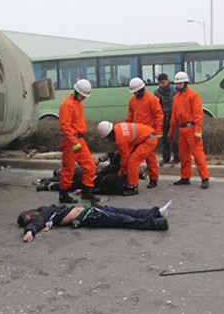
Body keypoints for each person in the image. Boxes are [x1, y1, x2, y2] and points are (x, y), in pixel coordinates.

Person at [18, 200, 172, 243]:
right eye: (29, 217)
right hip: (88, 215)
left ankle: (157, 212)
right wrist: (30, 232)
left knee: (124, 212)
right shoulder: (44, 216)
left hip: (90, 209)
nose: (31, 215)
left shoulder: (46, 210)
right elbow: (36, 223)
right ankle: (154, 223)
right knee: (122, 219)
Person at [167, 71, 210, 189]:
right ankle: (185, 177)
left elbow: (198, 114)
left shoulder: (193, 95)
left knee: (198, 155)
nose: (178, 85)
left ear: (185, 83)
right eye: (177, 83)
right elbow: (174, 117)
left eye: (180, 83)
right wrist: (171, 132)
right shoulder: (176, 98)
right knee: (184, 155)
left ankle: (205, 178)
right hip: (182, 130)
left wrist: (197, 131)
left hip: (191, 129)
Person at [58, 79, 98, 204]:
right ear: (77, 92)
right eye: (83, 95)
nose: (84, 98)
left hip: (79, 140)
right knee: (69, 168)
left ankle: (87, 192)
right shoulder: (67, 105)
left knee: (90, 166)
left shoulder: (78, 104)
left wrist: (77, 141)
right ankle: (63, 194)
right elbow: (65, 127)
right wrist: (74, 142)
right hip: (72, 142)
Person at [96, 121, 158, 196]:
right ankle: (153, 179)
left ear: (109, 135)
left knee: (132, 162)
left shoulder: (120, 139)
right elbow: (124, 149)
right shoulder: (118, 128)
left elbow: (125, 157)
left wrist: (121, 172)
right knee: (150, 158)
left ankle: (133, 187)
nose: (109, 140)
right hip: (148, 136)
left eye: (108, 138)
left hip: (148, 140)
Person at [126, 77, 163, 189]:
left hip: (148, 134)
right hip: (136, 134)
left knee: (150, 158)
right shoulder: (132, 101)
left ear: (141, 89)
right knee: (131, 157)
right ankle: (131, 178)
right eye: (134, 92)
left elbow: (158, 116)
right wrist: (126, 129)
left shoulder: (152, 99)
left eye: (136, 92)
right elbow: (130, 116)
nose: (135, 94)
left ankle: (153, 179)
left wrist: (158, 132)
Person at [154, 73, 180, 165]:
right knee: (165, 139)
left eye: (163, 82)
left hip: (173, 117)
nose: (162, 84)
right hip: (163, 118)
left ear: (167, 81)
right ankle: (166, 158)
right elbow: (156, 106)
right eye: (160, 83)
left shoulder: (174, 90)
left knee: (174, 138)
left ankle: (177, 157)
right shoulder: (157, 92)